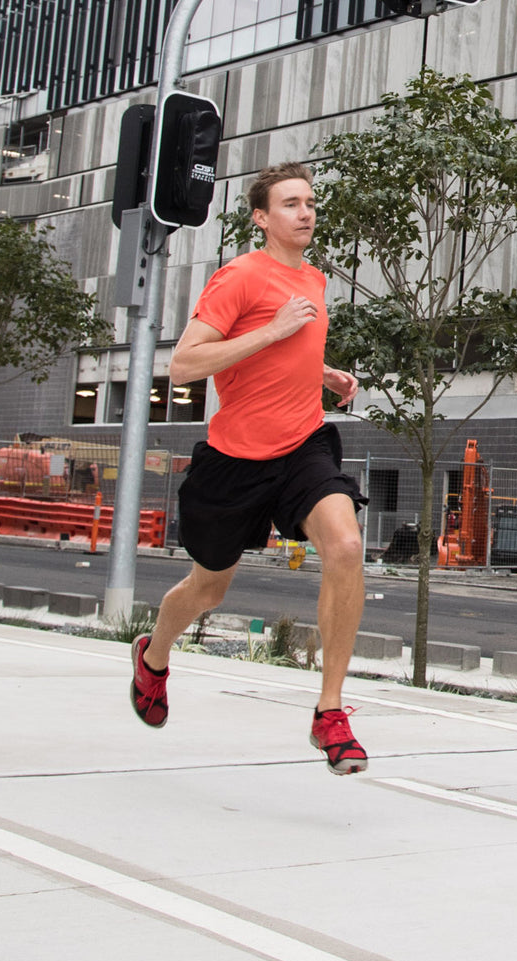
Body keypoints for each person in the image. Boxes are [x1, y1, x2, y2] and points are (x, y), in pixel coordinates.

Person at [128, 162, 371, 776]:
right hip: (235, 462)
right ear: (262, 217)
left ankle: (330, 712)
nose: (305, 212)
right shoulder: (239, 276)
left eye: (310, 202)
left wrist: (323, 373)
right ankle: (153, 658)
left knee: (345, 546)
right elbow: (185, 365)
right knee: (208, 589)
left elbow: (289, 351)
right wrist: (272, 331)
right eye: (290, 203)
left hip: (303, 446)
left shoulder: (313, 279)